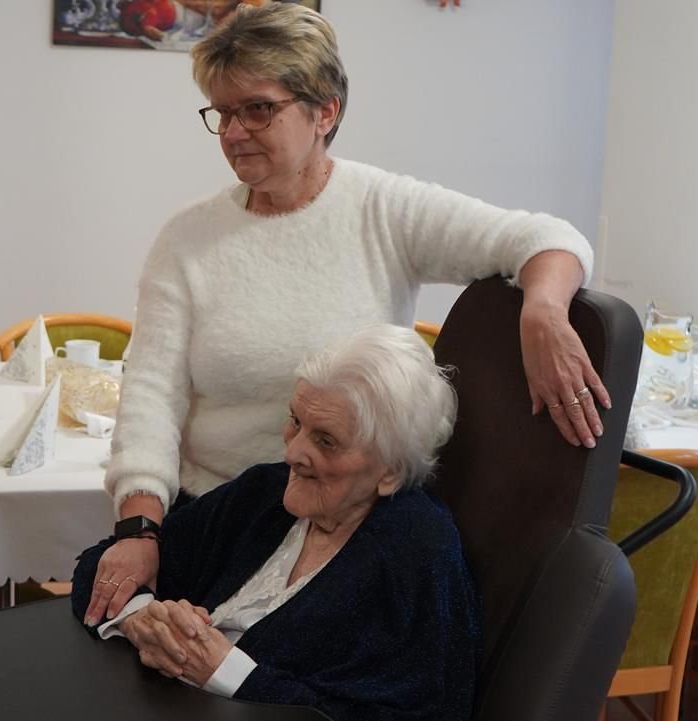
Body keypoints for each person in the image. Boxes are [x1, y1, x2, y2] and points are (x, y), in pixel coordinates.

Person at [93, 1, 610, 623]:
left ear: (325, 111)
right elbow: (151, 395)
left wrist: (543, 309)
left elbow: (547, 239)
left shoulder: (382, 210)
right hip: (220, 518)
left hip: (343, 533)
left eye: (257, 109)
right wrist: (139, 530)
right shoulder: (187, 240)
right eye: (222, 113)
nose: (232, 133)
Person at [73, 326, 481, 721]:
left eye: (326, 441)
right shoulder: (264, 494)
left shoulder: (419, 553)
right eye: (296, 421)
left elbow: (422, 712)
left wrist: (229, 673)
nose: (293, 452)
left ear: (390, 470)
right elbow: (100, 565)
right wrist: (142, 620)